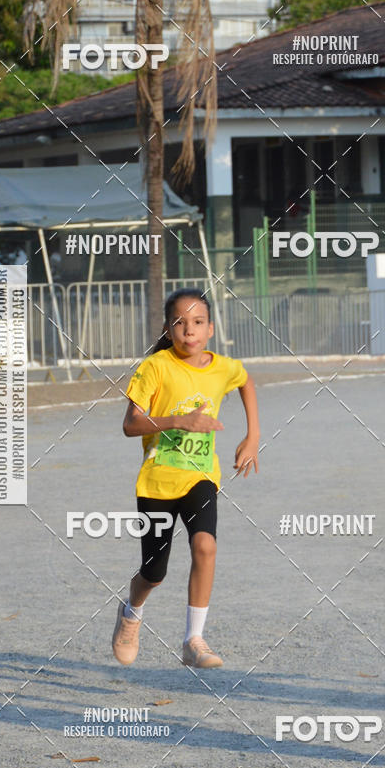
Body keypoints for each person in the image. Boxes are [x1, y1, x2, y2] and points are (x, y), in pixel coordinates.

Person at [112, 287, 260, 669]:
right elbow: (130, 425)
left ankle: (194, 639)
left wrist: (253, 436)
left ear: (210, 329)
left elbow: (245, 380)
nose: (189, 330)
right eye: (180, 323)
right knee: (154, 573)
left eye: (197, 323)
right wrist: (181, 420)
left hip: (200, 478)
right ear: (168, 328)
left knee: (206, 546)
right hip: (157, 481)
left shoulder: (221, 366)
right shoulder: (155, 367)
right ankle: (131, 613)